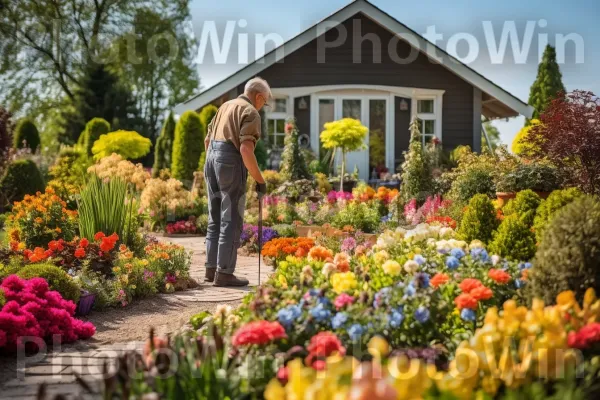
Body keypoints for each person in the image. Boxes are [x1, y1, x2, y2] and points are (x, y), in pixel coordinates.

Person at [203, 77, 269, 287]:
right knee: (231, 218)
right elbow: (245, 149)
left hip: (210, 160)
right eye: (264, 102)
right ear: (258, 97)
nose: (262, 106)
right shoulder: (250, 112)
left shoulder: (225, 106)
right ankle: (224, 274)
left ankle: (211, 269)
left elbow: (207, 140)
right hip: (230, 161)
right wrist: (260, 180)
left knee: (215, 217)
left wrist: (215, 164)